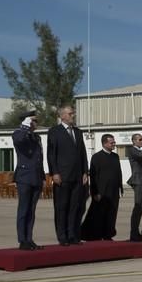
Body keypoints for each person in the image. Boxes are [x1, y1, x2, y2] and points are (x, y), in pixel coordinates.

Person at [47, 105, 88, 246]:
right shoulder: (54, 132)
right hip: (62, 176)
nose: (73, 116)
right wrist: (55, 173)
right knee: (61, 207)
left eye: (73, 113)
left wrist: (85, 172)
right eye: (70, 114)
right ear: (62, 116)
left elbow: (82, 153)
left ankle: (72, 235)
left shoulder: (78, 132)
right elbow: (51, 154)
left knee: (74, 207)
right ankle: (62, 236)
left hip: (77, 176)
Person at [12, 110, 45, 250]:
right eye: (33, 120)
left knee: (31, 210)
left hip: (36, 176)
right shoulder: (19, 133)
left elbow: (39, 158)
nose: (36, 123)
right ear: (27, 121)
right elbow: (19, 140)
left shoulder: (36, 137)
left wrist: (42, 176)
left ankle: (29, 239)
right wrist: (25, 127)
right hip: (24, 177)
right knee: (23, 209)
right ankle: (22, 240)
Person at [81, 134, 122, 241]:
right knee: (99, 214)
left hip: (113, 191)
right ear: (104, 143)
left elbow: (118, 173)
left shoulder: (115, 156)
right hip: (101, 192)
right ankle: (95, 235)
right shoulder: (97, 157)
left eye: (114, 142)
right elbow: (93, 176)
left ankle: (108, 234)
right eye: (111, 142)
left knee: (112, 214)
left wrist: (120, 188)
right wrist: (94, 192)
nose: (114, 144)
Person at [126, 133, 142, 242]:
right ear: (134, 141)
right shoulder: (132, 150)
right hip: (139, 181)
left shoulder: (140, 151)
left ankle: (136, 233)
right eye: (140, 139)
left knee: (141, 208)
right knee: (137, 207)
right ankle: (134, 234)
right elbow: (140, 156)